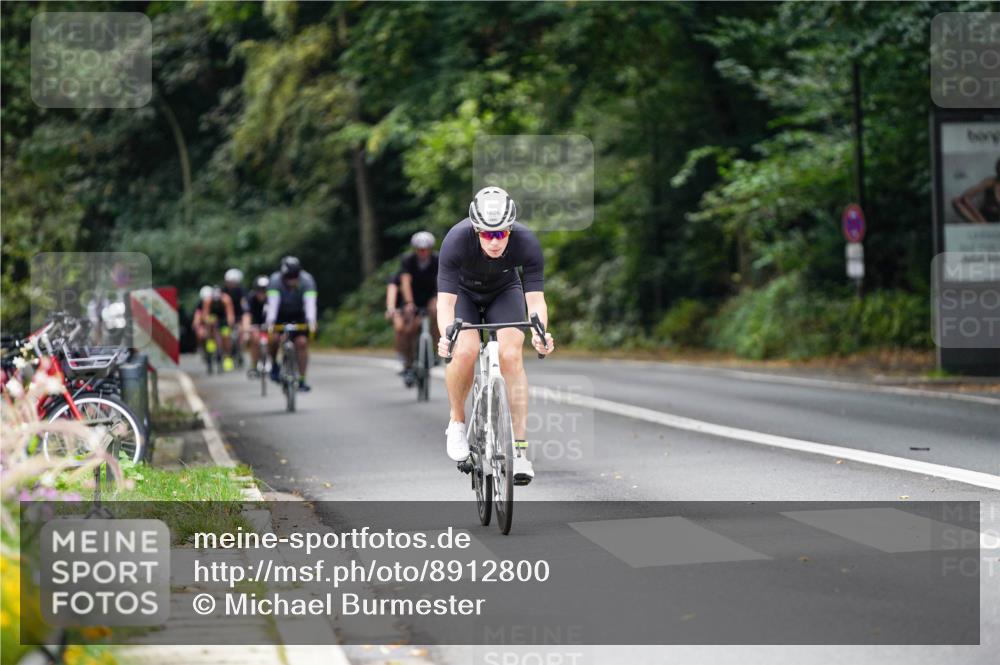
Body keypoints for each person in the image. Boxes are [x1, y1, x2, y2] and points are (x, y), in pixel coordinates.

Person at [436, 187, 554, 485]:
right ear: (475, 229)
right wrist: (446, 337)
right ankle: (457, 422)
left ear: (511, 229)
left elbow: (536, 300)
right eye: (486, 234)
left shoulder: (526, 242)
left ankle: (520, 450)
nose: (494, 241)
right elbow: (446, 303)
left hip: (504, 291)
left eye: (501, 234)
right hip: (464, 294)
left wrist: (541, 333)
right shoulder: (456, 240)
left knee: (512, 355)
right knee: (465, 351)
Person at [265, 256, 318, 392]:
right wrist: (270, 323)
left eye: (295, 277)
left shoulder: (307, 280)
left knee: (302, 343)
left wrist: (311, 321)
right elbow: (273, 305)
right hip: (279, 314)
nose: (292, 281)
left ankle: (301, 379)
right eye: (289, 277)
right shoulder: (275, 281)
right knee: (274, 338)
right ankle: (274, 364)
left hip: (298, 315)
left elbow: (310, 303)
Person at [397, 231, 440, 385]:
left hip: (431, 296)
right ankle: (408, 365)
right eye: (420, 249)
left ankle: (436, 350)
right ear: (415, 249)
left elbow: (442, 280)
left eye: (426, 248)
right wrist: (409, 302)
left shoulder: (437, 259)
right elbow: (405, 281)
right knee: (408, 329)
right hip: (413, 298)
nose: (423, 252)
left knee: (436, 311)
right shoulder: (408, 261)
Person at [953, 158, 1000, 224]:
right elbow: (967, 194)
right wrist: (968, 204)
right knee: (956, 201)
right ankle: (982, 224)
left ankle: (983, 225)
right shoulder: (991, 181)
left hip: (997, 220)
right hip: (983, 216)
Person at [201, 285, 236, 370]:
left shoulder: (226, 299)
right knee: (210, 325)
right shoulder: (208, 300)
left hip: (223, 318)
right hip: (212, 317)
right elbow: (205, 315)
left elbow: (230, 314)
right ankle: (210, 341)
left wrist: (230, 324)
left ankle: (227, 357)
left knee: (226, 336)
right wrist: (207, 321)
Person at [243, 275, 270, 377]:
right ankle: (254, 365)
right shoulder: (250, 298)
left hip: (269, 322)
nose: (262, 293)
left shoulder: (272, 298)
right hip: (255, 322)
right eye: (260, 290)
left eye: (265, 290)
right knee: (254, 338)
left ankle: (274, 362)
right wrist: (246, 330)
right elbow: (246, 315)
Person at [223, 268, 247, 369]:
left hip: (238, 315)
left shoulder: (241, 291)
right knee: (226, 335)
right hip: (225, 317)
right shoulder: (223, 291)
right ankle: (227, 356)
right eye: (229, 282)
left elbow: (245, 306)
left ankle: (240, 350)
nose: (231, 284)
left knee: (241, 332)